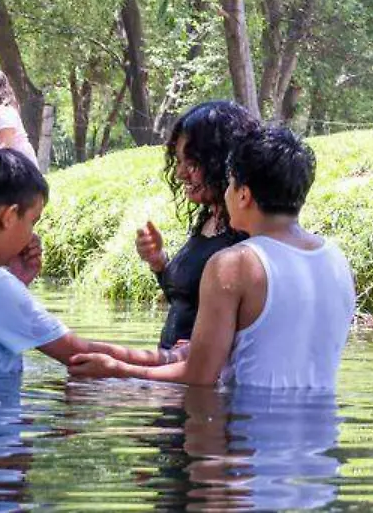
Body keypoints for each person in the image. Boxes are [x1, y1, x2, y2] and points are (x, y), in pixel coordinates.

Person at [68, 126, 357, 388]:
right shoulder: (337, 259)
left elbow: (198, 377)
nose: (226, 193)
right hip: (319, 438)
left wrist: (117, 371)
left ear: (243, 195)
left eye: (230, 184)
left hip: (249, 437)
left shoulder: (234, 264)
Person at [0, 149, 136, 374]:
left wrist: (17, 283)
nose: (32, 236)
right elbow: (79, 354)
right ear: (9, 216)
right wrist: (167, 358)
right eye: (32, 221)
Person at [137, 101, 257, 351]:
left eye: (191, 164)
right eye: (178, 161)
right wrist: (160, 263)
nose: (180, 173)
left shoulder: (247, 232)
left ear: (222, 162)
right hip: (174, 374)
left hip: (202, 378)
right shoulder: (208, 219)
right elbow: (189, 301)